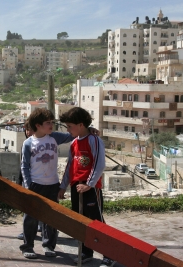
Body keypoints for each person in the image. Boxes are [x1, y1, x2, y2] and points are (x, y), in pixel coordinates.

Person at [58, 107, 115, 267]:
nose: (68, 130)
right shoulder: (74, 143)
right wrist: (63, 187)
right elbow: (70, 166)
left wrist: (89, 184)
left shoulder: (94, 140)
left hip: (90, 188)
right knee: (81, 222)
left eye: (70, 126)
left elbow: (99, 164)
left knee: (97, 221)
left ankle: (109, 255)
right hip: (77, 188)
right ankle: (86, 252)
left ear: (81, 125)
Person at [20, 108, 76, 259]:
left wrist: (89, 130)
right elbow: (24, 165)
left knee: (51, 217)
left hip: (52, 184)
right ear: (38, 125)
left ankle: (49, 245)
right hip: (35, 184)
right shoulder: (28, 143)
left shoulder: (54, 137)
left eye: (51, 122)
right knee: (30, 217)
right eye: (48, 123)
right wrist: (28, 184)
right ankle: (28, 246)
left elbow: (71, 135)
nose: (51, 125)